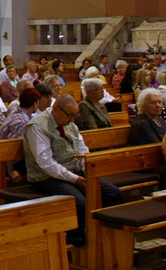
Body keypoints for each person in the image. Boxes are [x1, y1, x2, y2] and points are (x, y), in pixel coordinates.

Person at [23, 94, 123, 247]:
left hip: (74, 172)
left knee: (113, 194)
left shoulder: (70, 124)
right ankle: (78, 242)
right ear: (56, 109)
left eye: (75, 116)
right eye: (69, 115)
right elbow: (46, 163)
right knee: (79, 202)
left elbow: (82, 150)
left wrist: (88, 171)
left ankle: (109, 237)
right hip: (46, 177)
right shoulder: (37, 126)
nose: (72, 119)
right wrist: (74, 179)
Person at [0, 88, 41, 182]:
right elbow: (9, 147)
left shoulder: (17, 113)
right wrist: (11, 171)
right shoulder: (22, 121)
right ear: (35, 104)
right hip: (5, 160)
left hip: (5, 156)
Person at [128, 88, 166, 186]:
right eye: (153, 103)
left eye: (159, 102)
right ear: (144, 105)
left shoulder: (160, 120)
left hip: (163, 157)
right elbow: (155, 147)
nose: (158, 105)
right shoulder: (141, 123)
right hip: (149, 162)